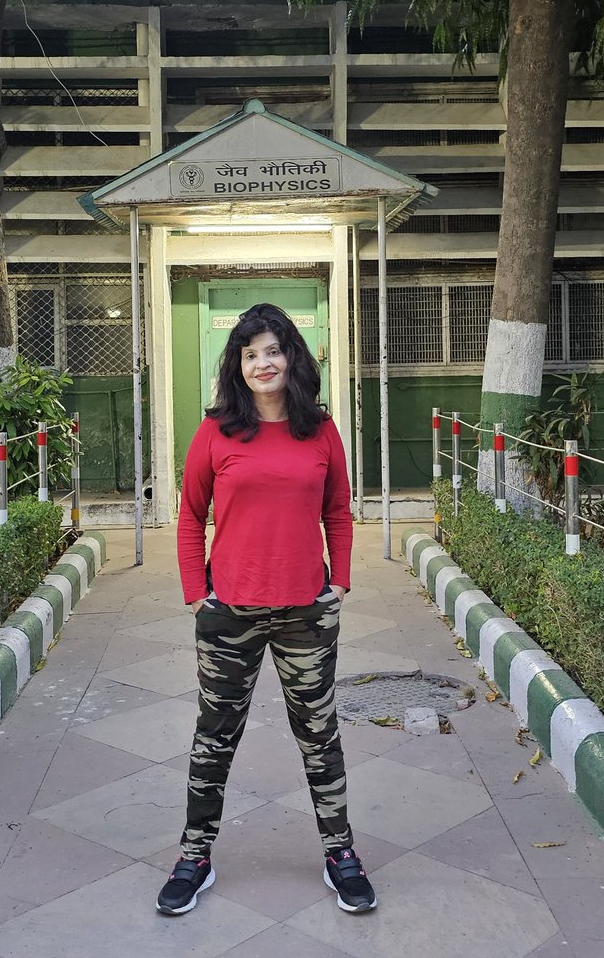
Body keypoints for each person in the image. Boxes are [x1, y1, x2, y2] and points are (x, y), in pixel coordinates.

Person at [155, 302, 377, 916]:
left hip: (307, 610)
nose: (263, 362)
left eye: (273, 350)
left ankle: (341, 855)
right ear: (238, 365)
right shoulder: (215, 432)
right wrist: (195, 592)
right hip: (229, 612)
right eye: (250, 353)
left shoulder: (320, 431)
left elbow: (338, 509)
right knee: (214, 737)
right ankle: (194, 857)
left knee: (319, 735)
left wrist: (342, 581)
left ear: (292, 357)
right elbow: (189, 517)